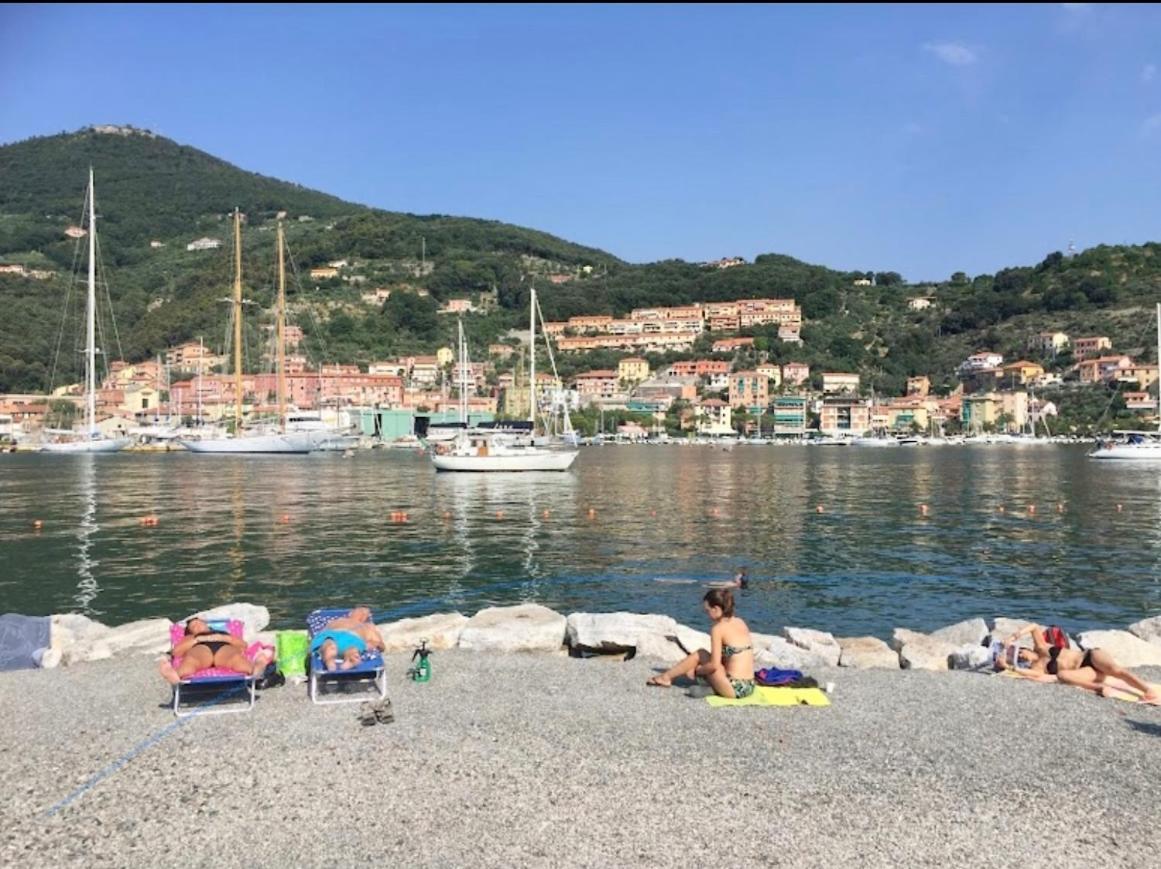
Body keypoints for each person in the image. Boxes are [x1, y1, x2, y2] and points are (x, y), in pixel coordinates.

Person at [997, 623, 1160, 703]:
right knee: (1061, 675)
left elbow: (1033, 627)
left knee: (1116, 670)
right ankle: (1100, 688)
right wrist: (1009, 666)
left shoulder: (1041, 646)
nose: (1022, 656)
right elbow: (1032, 674)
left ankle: (1148, 690)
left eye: (1021, 652)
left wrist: (1013, 637)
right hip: (1085, 672)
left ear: (1025, 648)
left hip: (1089, 656)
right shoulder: (1036, 667)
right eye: (1019, 658)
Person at [646, 588, 755, 698]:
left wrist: (697, 671)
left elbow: (714, 665)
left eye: (708, 611)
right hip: (749, 686)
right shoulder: (740, 622)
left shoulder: (718, 629)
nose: (707, 614)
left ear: (716, 609)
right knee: (705, 660)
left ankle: (666, 678)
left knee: (701, 654)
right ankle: (713, 689)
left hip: (734, 688)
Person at [159, 617, 272, 685]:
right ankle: (175, 676)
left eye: (199, 622)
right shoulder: (190, 638)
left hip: (223, 647)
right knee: (191, 660)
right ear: (190, 631)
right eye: (193, 626)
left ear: (206, 624)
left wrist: (224, 638)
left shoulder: (223, 633)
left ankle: (256, 670)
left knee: (235, 659)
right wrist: (198, 639)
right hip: (201, 648)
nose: (197, 625)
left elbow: (243, 646)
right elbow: (176, 652)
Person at [311, 606, 386, 672]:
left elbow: (381, 645)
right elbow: (323, 630)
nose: (362, 614)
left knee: (352, 649)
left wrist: (374, 644)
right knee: (329, 644)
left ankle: (350, 659)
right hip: (333, 634)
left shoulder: (369, 627)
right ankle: (329, 662)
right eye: (360, 611)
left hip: (354, 638)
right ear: (351, 613)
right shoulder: (340, 620)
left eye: (365, 613)